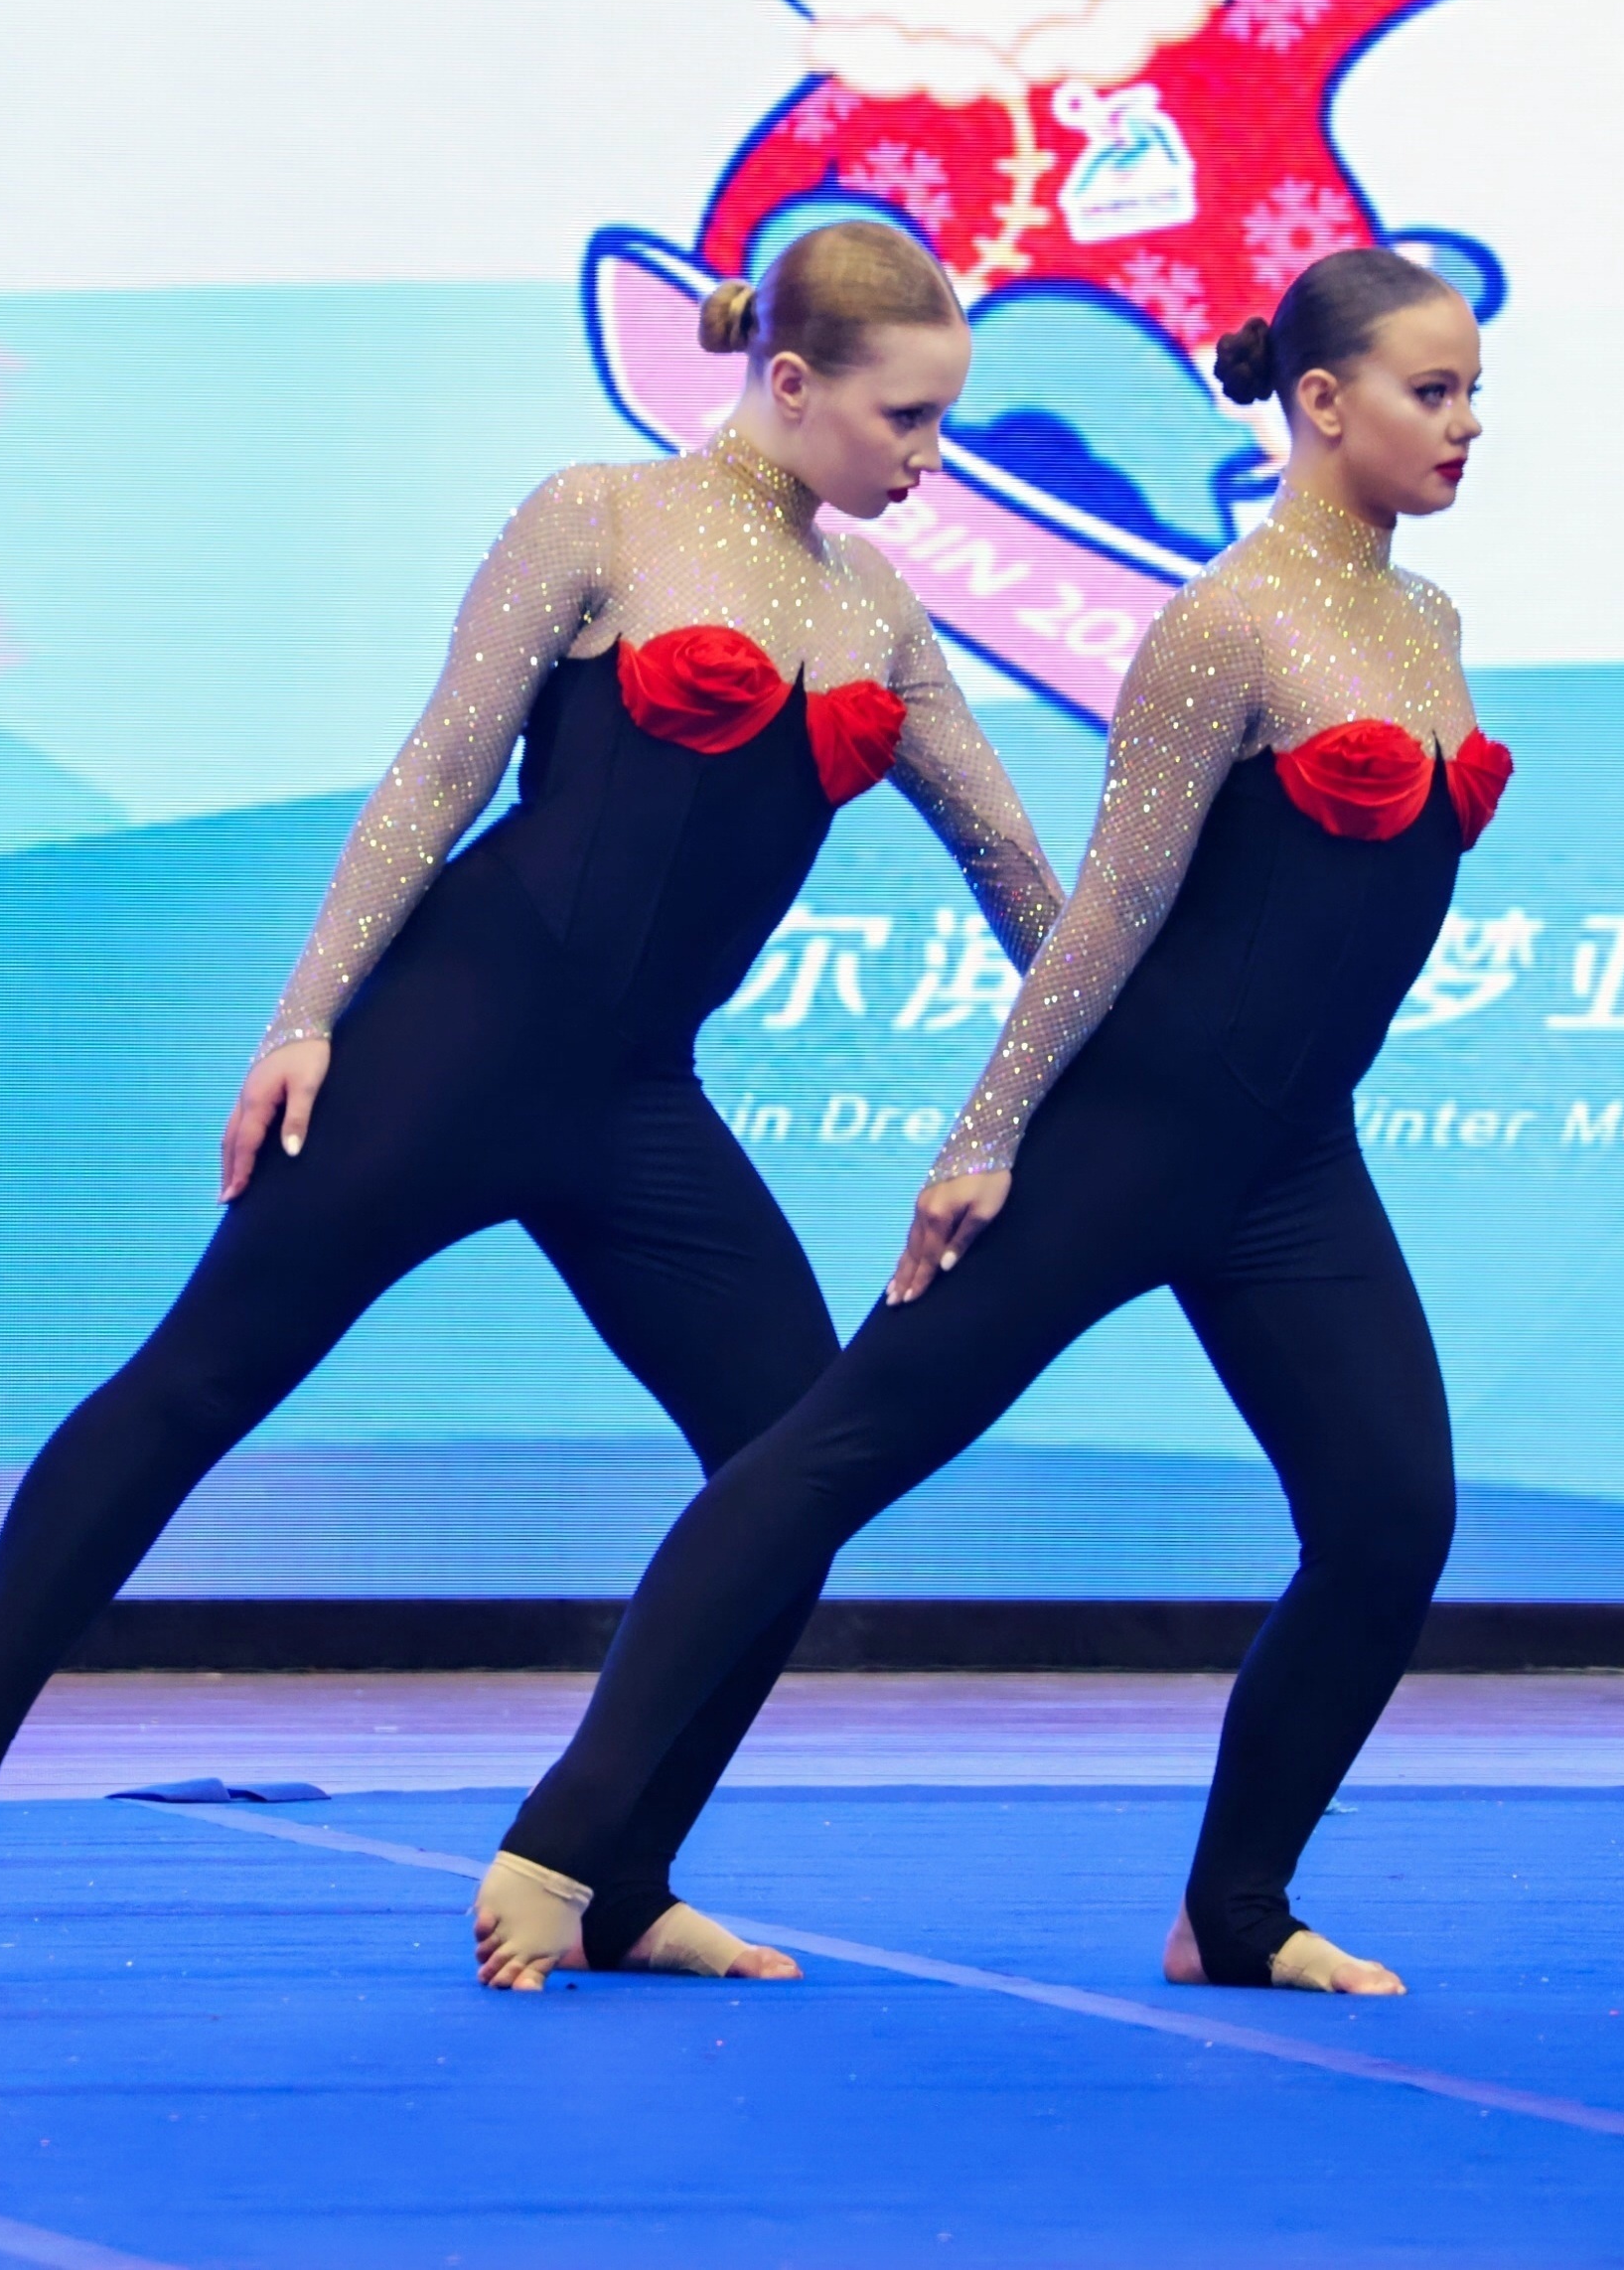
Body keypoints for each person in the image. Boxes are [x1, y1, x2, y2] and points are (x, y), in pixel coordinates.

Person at [0, 222, 1062, 1988]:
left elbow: (1011, 860)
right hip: (444, 1045)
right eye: (908, 418)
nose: (931, 457)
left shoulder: (874, 604)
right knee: (193, 1383)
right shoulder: (599, 515)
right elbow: (439, 772)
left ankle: (618, 1875)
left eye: (944, 421)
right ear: (790, 382)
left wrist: (1099, 1050)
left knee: (796, 1462)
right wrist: (305, 1017)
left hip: (634, 1102)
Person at [480, 245, 1508, 1996]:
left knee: (1391, 1514)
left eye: (1475, 391)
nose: (1467, 423)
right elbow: (1110, 909)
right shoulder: (1222, 623)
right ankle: (561, 1842)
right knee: (832, 1451)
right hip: (1127, 1137)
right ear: (1323, 404)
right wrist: (987, 1135)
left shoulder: (1428, 624)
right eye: (1434, 391)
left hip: (1291, 1164)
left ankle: (1234, 1913)